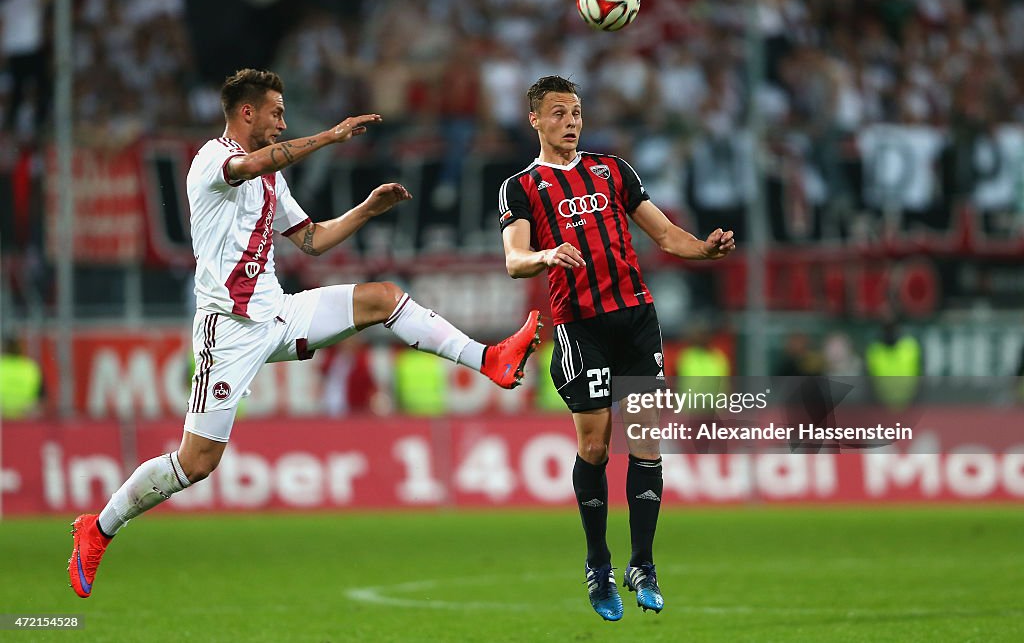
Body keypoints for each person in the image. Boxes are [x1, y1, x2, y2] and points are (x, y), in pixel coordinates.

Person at [68, 68, 542, 598]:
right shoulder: (211, 159)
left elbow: (311, 240)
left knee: (380, 298)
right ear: (246, 113)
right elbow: (254, 162)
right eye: (275, 112)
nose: (282, 122)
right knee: (196, 462)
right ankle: (99, 528)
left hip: (279, 312)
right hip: (228, 329)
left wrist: (367, 209)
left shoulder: (273, 177)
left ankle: (490, 358)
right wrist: (330, 136)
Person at [499, 76, 735, 621]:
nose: (571, 121)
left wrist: (706, 249)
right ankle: (598, 564)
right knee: (596, 449)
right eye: (558, 113)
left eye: (576, 111)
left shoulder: (612, 170)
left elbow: (668, 236)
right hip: (580, 327)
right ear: (535, 120)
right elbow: (514, 260)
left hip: (635, 319)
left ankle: (643, 565)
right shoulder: (521, 187)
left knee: (647, 442)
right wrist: (546, 255)